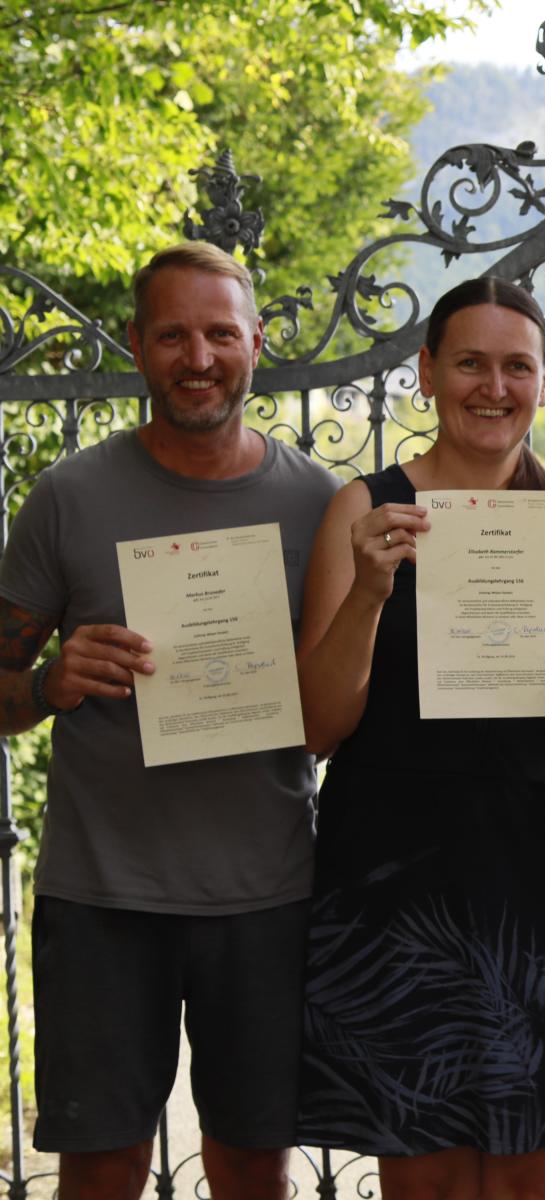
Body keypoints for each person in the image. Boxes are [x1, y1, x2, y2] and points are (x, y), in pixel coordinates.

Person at [0, 242, 340, 1200]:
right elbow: (1, 684)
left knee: (252, 1166)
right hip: (104, 897)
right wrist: (50, 683)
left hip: (266, 895)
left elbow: (342, 703)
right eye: (173, 335)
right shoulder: (68, 498)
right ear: (141, 348)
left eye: (220, 333)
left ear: (256, 343)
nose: (199, 356)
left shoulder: (317, 503)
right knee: (101, 1169)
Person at [294, 277, 545, 1198]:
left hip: (537, 880)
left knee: (527, 1175)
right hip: (400, 885)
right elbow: (319, 726)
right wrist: (366, 588)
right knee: (426, 1175)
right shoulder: (363, 508)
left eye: (517, 366)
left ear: (544, 384)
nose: (494, 386)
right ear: (428, 374)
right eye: (470, 363)